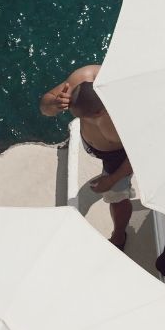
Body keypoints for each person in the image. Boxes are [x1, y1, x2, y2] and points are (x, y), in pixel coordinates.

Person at [40, 63, 134, 251]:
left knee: (117, 198)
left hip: (119, 156)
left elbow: (139, 156)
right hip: (98, 147)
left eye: (86, 117)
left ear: (102, 111)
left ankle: (119, 236)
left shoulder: (129, 110)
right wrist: (54, 103)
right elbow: (44, 107)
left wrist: (112, 179)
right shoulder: (81, 78)